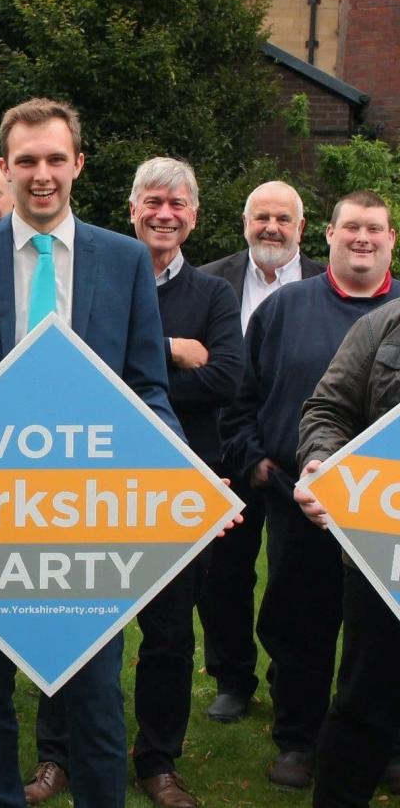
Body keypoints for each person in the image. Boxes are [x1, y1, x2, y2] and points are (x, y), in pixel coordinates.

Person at [0, 98, 181, 808]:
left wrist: (181, 474)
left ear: (78, 163)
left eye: (55, 158)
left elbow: (148, 386)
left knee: (94, 694)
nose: (41, 173)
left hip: (91, 516)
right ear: (5, 167)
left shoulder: (123, 259)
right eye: (26, 160)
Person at [221, 190, 399, 790]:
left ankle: (385, 743)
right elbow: (246, 402)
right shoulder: (284, 308)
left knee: (383, 633)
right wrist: (264, 469)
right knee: (301, 619)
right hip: (305, 501)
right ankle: (299, 739)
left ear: (391, 238)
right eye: (352, 227)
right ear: (328, 234)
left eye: (375, 228)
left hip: (387, 514)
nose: (363, 239)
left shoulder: (397, 309)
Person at [126, 158, 243, 806]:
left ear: (194, 215)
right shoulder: (104, 277)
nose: (164, 213)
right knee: (82, 621)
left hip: (183, 486)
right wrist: (170, 346)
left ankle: (158, 759)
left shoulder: (215, 294)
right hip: (101, 481)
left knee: (170, 633)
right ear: (132, 206)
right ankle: (60, 751)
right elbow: (83, 367)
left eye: (178, 203)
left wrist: (132, 367)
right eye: (153, 201)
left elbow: (224, 379)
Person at [197, 180, 325, 724]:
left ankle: (288, 677)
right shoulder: (210, 282)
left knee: (295, 580)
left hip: (302, 461)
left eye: (283, 218)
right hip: (229, 454)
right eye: (260, 217)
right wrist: (246, 452)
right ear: (244, 222)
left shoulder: (328, 281)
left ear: (302, 227)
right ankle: (232, 678)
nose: (271, 227)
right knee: (223, 575)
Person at [296, 298, 400, 808]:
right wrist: (322, 461)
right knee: (364, 702)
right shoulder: (385, 323)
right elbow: (328, 409)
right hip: (383, 552)